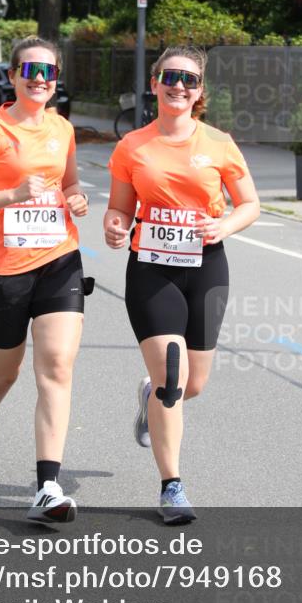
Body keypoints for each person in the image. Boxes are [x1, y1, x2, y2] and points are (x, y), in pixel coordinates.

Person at [104, 45, 260, 524]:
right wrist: (114, 225)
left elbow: (250, 204)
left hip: (207, 266)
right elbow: (119, 208)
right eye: (170, 76)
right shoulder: (133, 146)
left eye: (189, 80)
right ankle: (172, 487)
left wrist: (224, 227)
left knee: (192, 383)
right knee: (175, 378)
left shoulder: (218, 143)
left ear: (200, 92)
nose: (178, 85)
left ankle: (149, 396)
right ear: (154, 83)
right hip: (151, 267)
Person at [0, 37, 92, 524]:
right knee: (4, 372)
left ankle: (48, 486)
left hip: (58, 259)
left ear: (56, 82)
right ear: (12, 76)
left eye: (49, 72)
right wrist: (12, 193)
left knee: (56, 367)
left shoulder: (62, 129)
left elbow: (69, 183)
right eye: (30, 69)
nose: (39, 78)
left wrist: (76, 199)